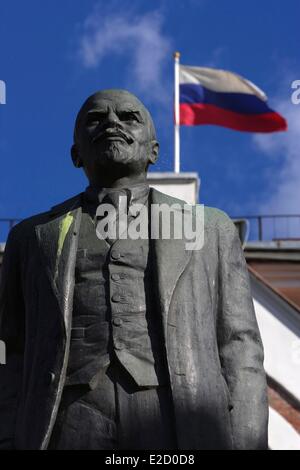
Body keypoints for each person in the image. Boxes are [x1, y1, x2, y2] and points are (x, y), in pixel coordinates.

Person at [0, 89, 268, 450]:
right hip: (68, 417)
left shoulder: (210, 229)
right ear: (76, 154)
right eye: (96, 119)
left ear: (153, 151)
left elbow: (239, 347)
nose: (112, 123)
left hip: (179, 417)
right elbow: (11, 352)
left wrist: (249, 441)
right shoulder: (30, 238)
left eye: (129, 117)